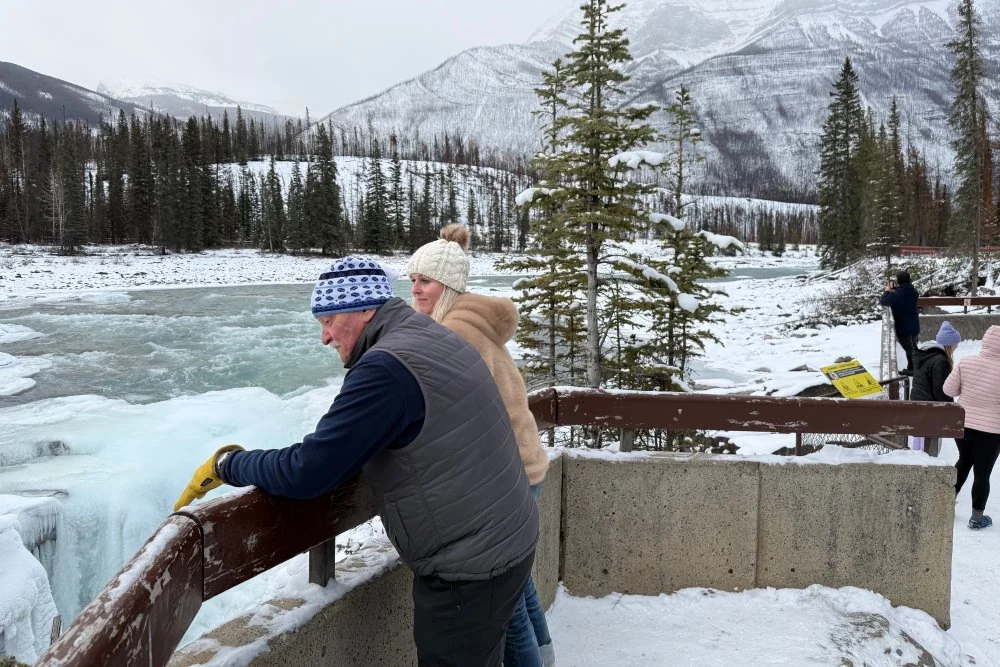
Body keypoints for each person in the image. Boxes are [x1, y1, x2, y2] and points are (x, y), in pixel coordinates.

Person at [174, 256, 539, 666]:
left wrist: (230, 464)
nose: (325, 338)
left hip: (468, 567)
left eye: (329, 320)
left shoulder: (385, 369)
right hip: (507, 533)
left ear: (367, 309)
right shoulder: (425, 333)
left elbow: (309, 470)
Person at [408, 224, 555, 667]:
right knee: (521, 587)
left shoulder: (455, 334)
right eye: (412, 278)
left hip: (504, 478)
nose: (415, 290)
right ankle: (546, 657)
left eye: (425, 281)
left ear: (449, 285)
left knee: (503, 610)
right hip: (524, 469)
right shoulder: (470, 321)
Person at [943, 325, 1000, 530]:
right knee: (983, 473)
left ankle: (945, 506)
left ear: (985, 341)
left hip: (963, 425)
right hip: (992, 430)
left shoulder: (966, 362)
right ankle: (977, 518)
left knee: (964, 460)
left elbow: (948, 389)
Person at [909, 321, 961, 457]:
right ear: (949, 344)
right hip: (929, 407)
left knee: (918, 442)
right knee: (930, 445)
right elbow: (941, 391)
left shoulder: (926, 354)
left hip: (917, 402)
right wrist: (952, 405)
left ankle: (917, 464)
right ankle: (927, 467)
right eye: (956, 344)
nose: (957, 346)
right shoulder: (940, 361)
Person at [880, 270, 920, 375]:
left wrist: (887, 291)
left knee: (909, 349)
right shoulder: (914, 291)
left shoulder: (897, 294)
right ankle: (915, 367)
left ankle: (913, 369)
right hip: (914, 324)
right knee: (914, 347)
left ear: (898, 281)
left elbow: (884, 301)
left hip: (903, 326)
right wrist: (895, 289)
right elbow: (904, 290)